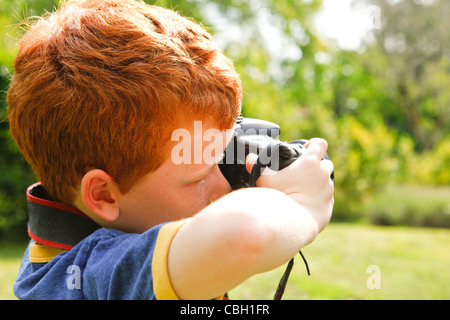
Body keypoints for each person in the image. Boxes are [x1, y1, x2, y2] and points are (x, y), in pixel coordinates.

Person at [7, 0, 334, 300]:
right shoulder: (90, 277)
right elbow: (246, 235)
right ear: (104, 195)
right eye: (200, 176)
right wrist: (303, 207)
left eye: (223, 154)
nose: (224, 187)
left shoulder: (68, 241)